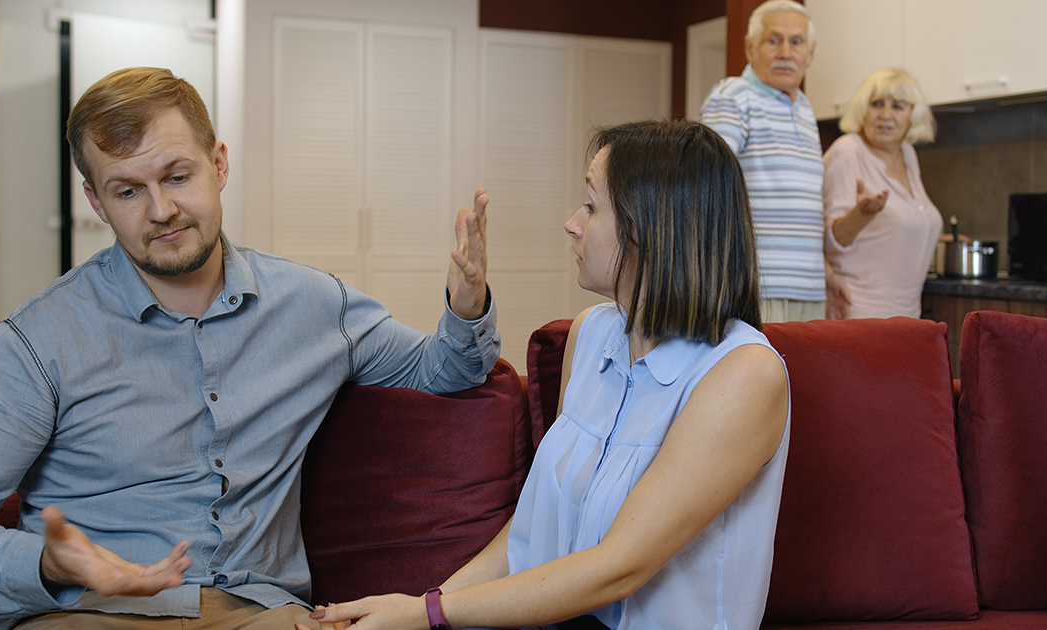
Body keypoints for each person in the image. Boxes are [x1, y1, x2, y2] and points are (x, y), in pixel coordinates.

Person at [0, 67, 499, 629]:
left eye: (177, 177)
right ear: (96, 202)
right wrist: (47, 564)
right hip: (91, 611)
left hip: (259, 611)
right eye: (127, 191)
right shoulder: (34, 344)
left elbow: (443, 370)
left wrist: (466, 308)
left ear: (219, 165)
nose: (161, 210)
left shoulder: (314, 305)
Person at [304, 120, 790, 630]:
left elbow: (618, 568)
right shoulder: (592, 333)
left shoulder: (743, 373)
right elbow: (532, 534)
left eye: (592, 206)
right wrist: (420, 608)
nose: (572, 224)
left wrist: (426, 614)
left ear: (651, 226)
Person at [699, 0, 828, 323]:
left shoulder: (804, 107)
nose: (786, 52)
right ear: (750, 47)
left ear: (810, 52)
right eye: (773, 40)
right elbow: (706, 179)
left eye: (796, 42)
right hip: (756, 285)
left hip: (810, 288)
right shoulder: (733, 95)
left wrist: (827, 273)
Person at [822, 67, 941, 319]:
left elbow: (901, 224)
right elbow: (830, 242)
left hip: (907, 313)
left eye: (898, 106)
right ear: (862, 109)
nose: (885, 115)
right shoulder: (847, 152)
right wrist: (862, 214)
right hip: (858, 311)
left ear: (913, 115)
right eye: (876, 104)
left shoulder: (907, 153)